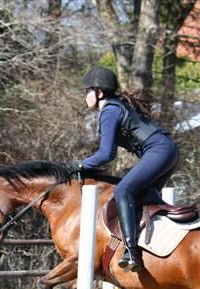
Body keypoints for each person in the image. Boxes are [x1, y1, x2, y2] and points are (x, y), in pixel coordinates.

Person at [74, 66, 180, 273]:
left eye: (87, 91)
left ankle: (131, 252)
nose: (85, 96)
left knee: (122, 191)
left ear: (100, 92)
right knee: (145, 197)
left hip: (158, 151)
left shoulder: (109, 111)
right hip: (169, 151)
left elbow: (106, 154)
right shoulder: (116, 107)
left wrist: (79, 165)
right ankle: (163, 244)